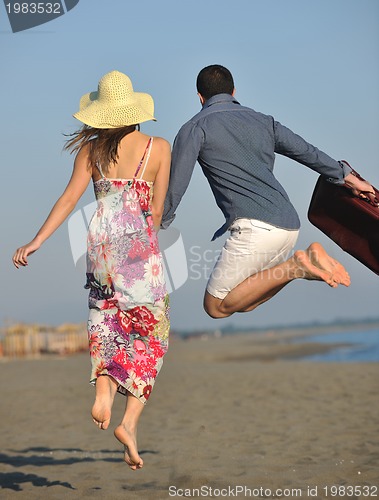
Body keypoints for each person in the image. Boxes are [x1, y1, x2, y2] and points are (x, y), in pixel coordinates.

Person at [13, 70, 171, 470]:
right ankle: (129, 423)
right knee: (151, 333)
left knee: (106, 323)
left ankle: (103, 392)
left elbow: (68, 200)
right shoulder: (158, 147)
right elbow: (157, 212)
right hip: (138, 245)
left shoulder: (92, 151)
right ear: (135, 110)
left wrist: (36, 241)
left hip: (100, 243)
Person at [162, 64, 375, 319]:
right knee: (245, 300)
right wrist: (349, 178)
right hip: (288, 226)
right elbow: (308, 152)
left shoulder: (195, 127)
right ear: (234, 91)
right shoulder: (264, 121)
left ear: (200, 96)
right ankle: (300, 264)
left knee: (215, 306)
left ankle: (298, 265)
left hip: (255, 228)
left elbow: (176, 185)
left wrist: (159, 224)